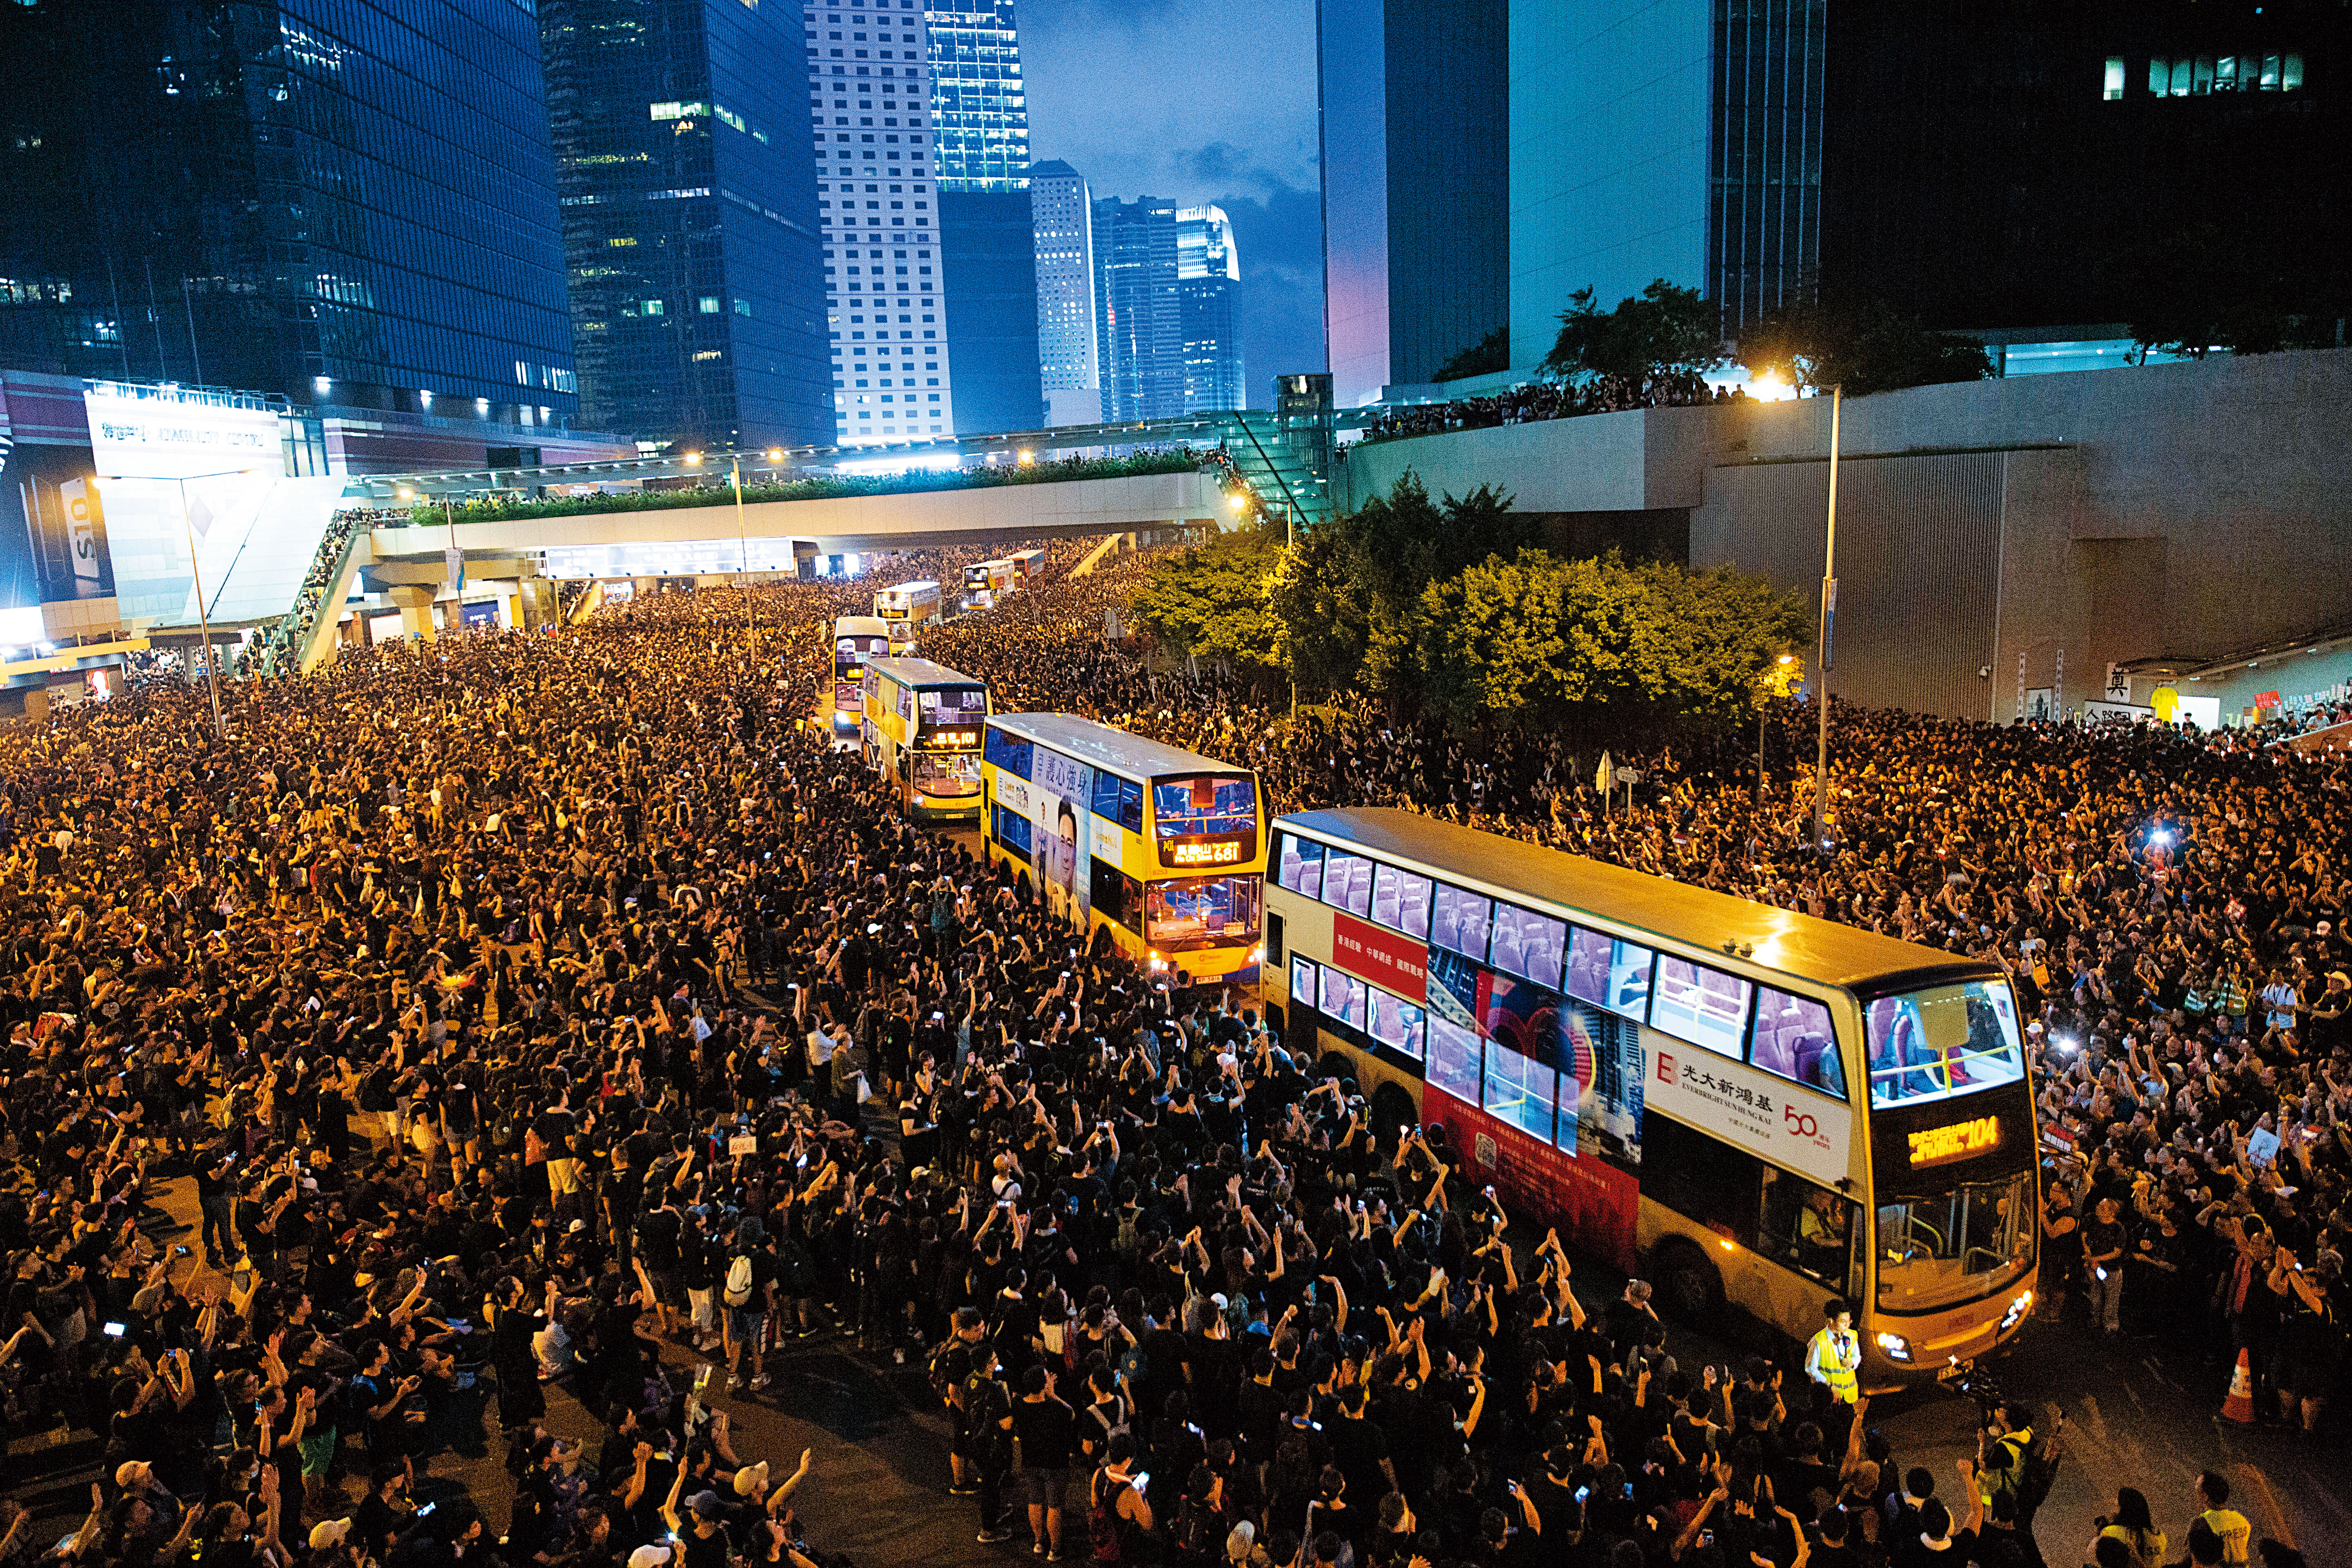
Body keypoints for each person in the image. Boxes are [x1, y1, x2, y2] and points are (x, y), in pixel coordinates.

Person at [1807, 1298, 1862, 1404]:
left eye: (1849, 1321)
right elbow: (1810, 1368)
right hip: (1829, 1397)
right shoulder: (1819, 1340)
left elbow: (1857, 1356)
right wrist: (1829, 1386)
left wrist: (1852, 1363)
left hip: (1850, 1397)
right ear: (1832, 1320)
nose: (1847, 1325)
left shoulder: (1852, 1335)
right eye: (1843, 1321)